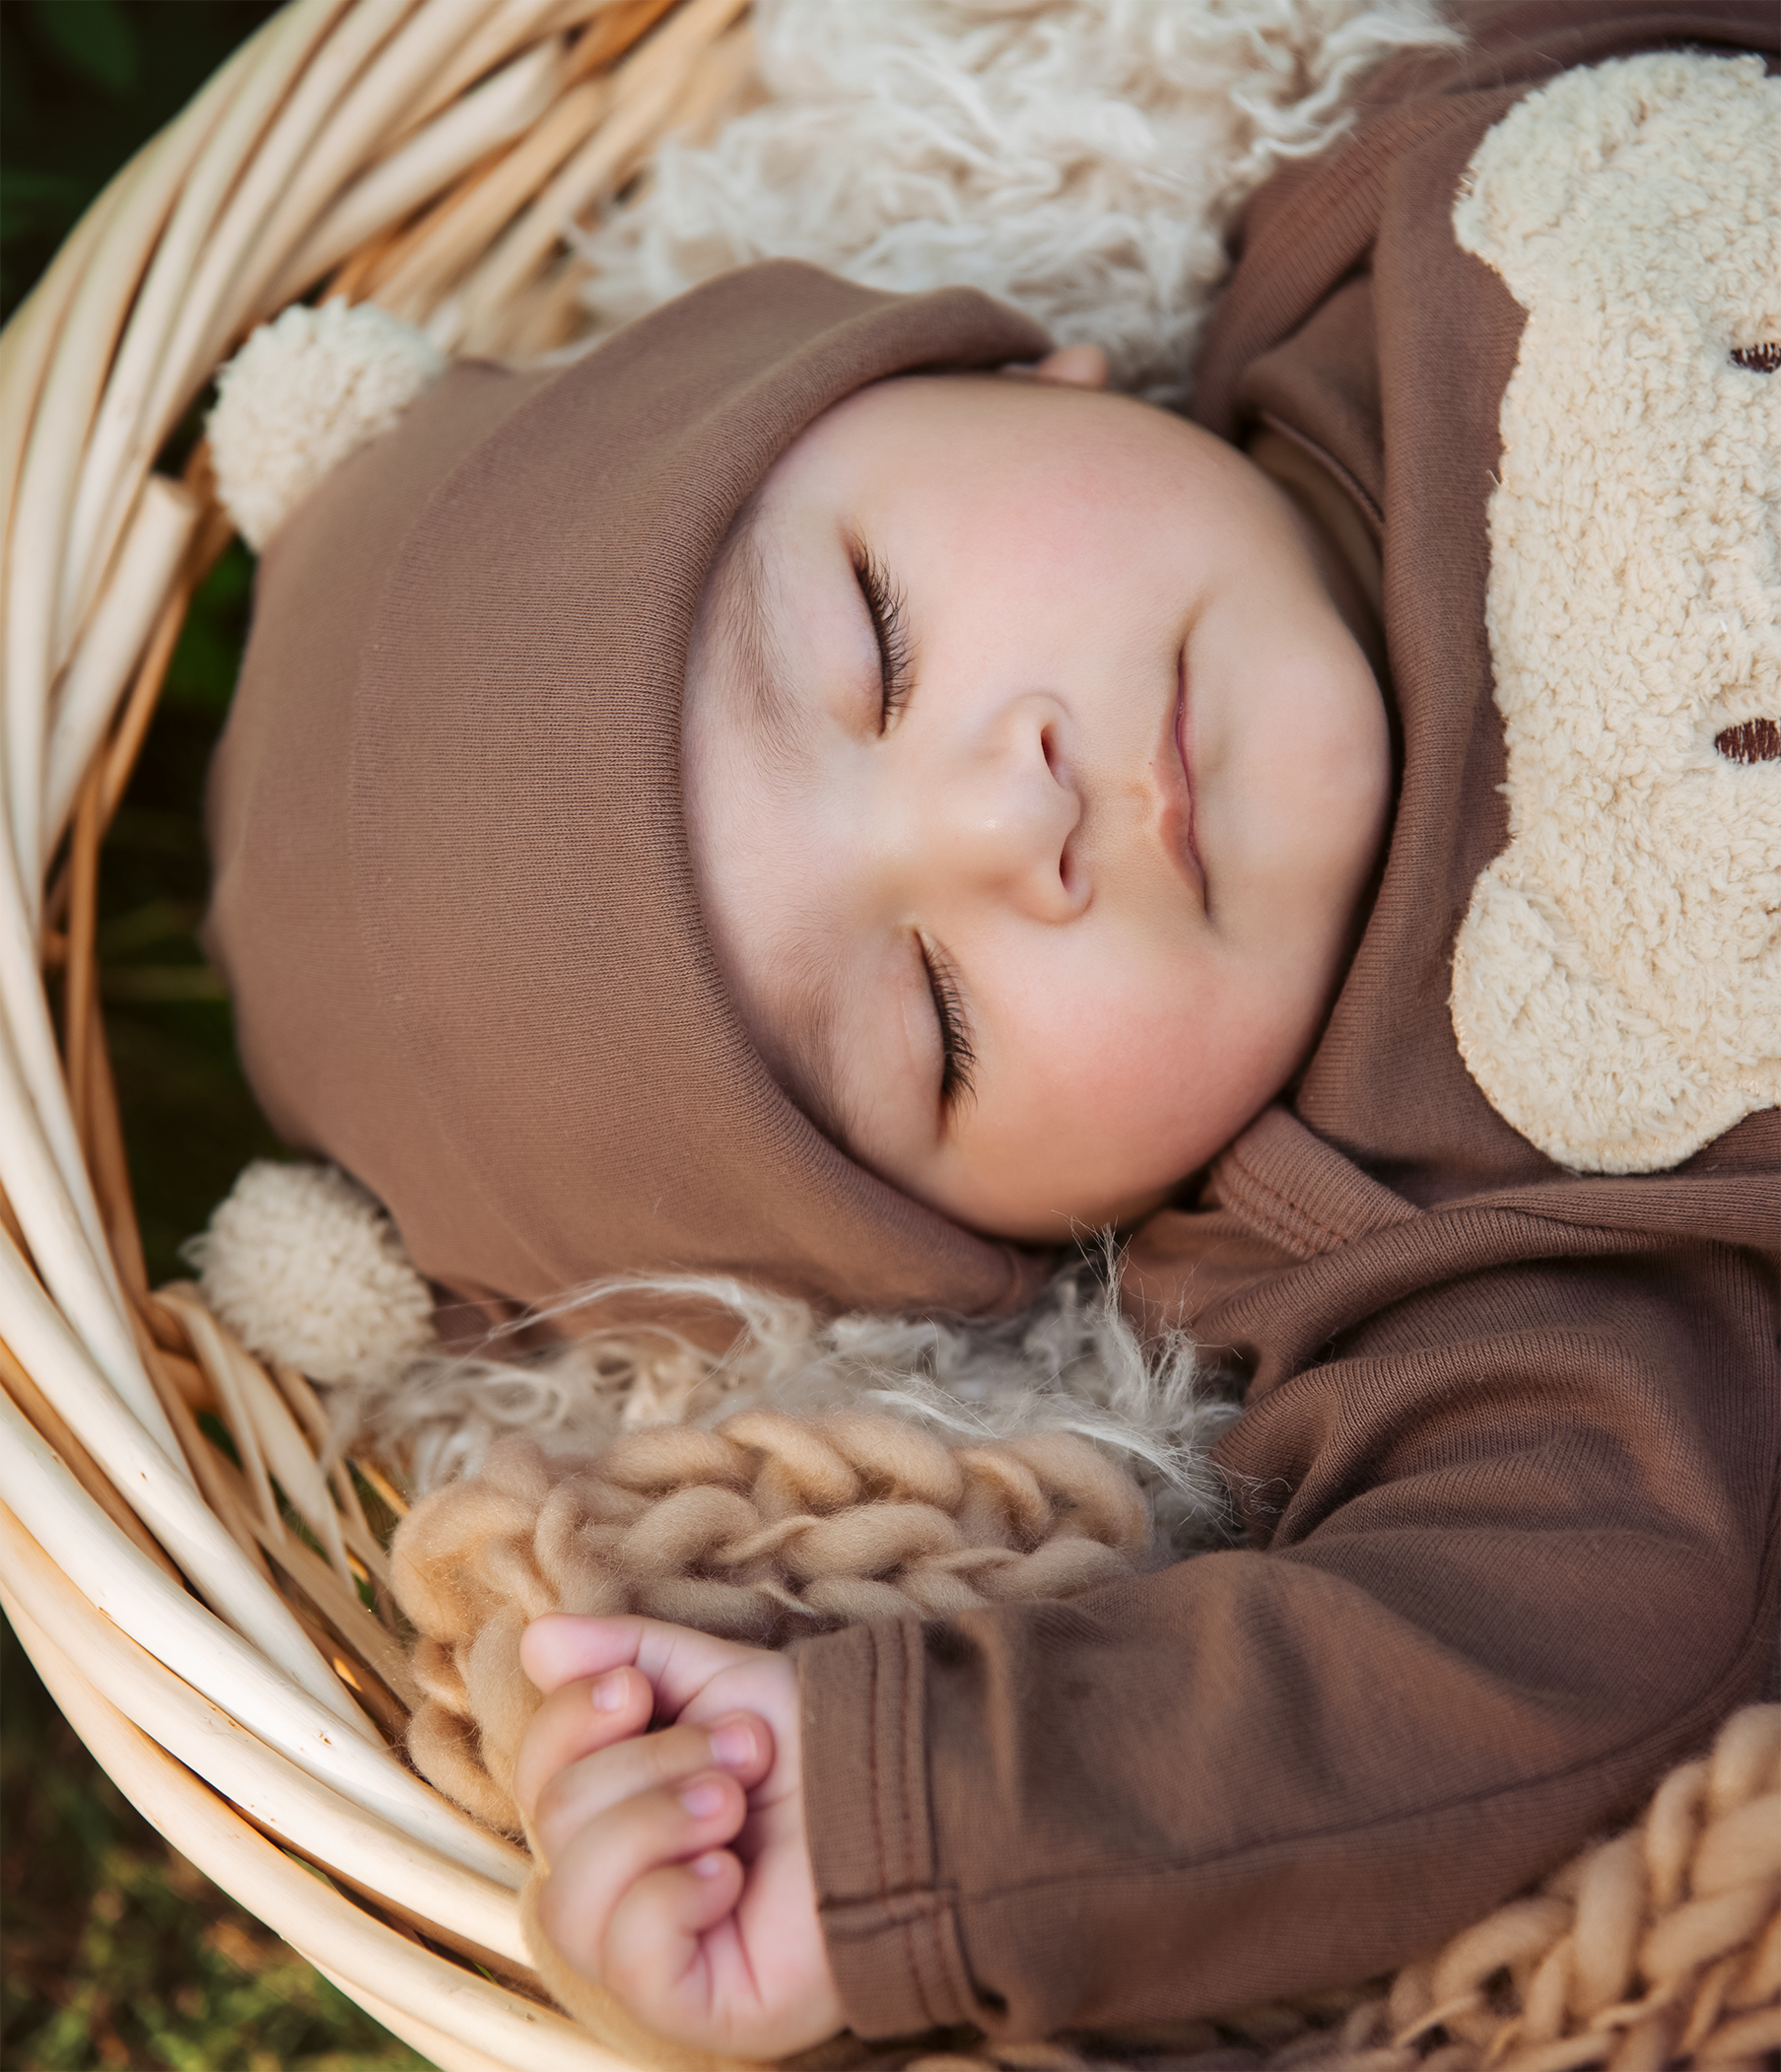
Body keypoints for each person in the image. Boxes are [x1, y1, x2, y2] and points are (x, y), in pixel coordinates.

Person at [202, 0, 1781, 2057]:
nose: (1007, 814)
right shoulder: (1411, 1255)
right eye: (935, 1024)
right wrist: (905, 1814)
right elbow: (1520, 1650)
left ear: (997, 356)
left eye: (875, 633)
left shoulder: (1425, 169)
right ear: (1021, 1256)